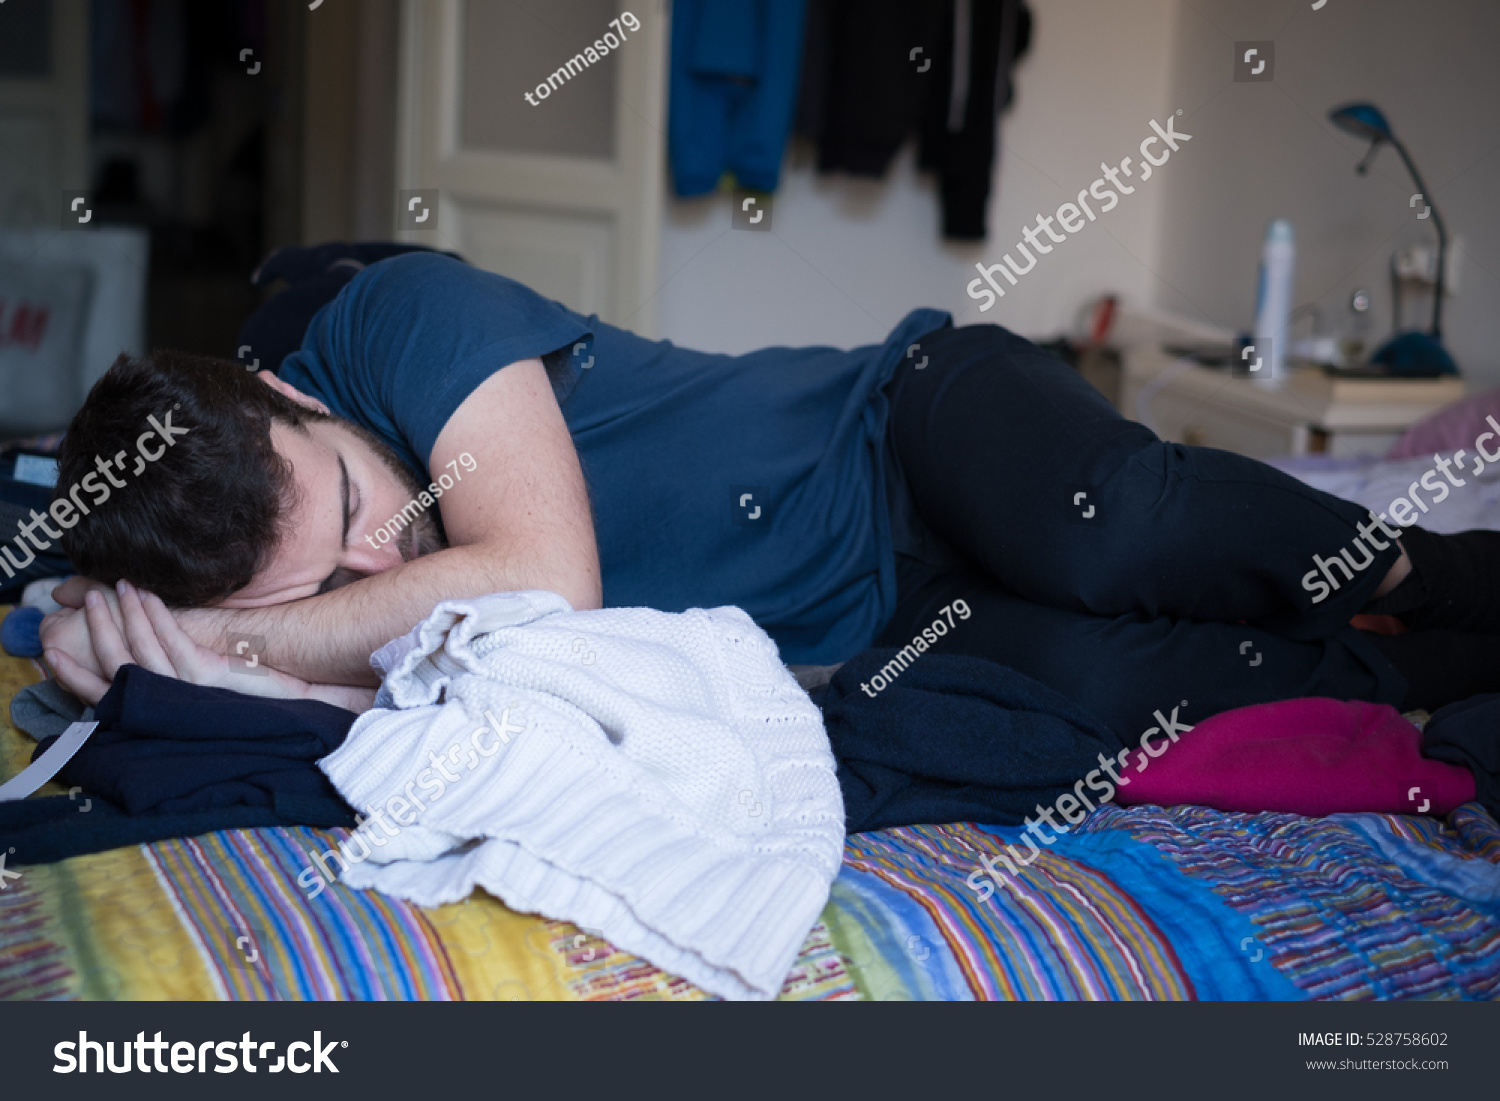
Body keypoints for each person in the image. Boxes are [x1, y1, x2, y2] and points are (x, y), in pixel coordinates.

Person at [38, 251, 1500, 736]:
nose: (384, 552)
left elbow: (545, 583)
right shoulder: (257, 605)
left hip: (904, 426)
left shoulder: (390, 320)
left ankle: (1432, 577)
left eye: (351, 495)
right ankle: (1439, 665)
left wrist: (242, 643)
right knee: (1109, 679)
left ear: (296, 399)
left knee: (1115, 530)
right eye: (335, 583)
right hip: (875, 629)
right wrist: (140, 647)